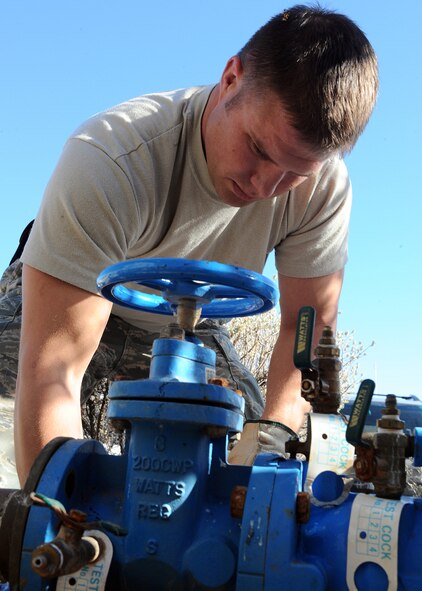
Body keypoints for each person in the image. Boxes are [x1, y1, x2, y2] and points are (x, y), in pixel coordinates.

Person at [0, 4, 378, 486]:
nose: (265, 186)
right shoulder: (110, 158)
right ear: (231, 78)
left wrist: (266, 446)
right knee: (14, 458)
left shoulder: (323, 190)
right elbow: (50, 374)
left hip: (192, 324)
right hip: (74, 296)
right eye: (259, 149)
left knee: (268, 472)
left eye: (294, 172)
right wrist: (60, 522)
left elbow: (302, 333)